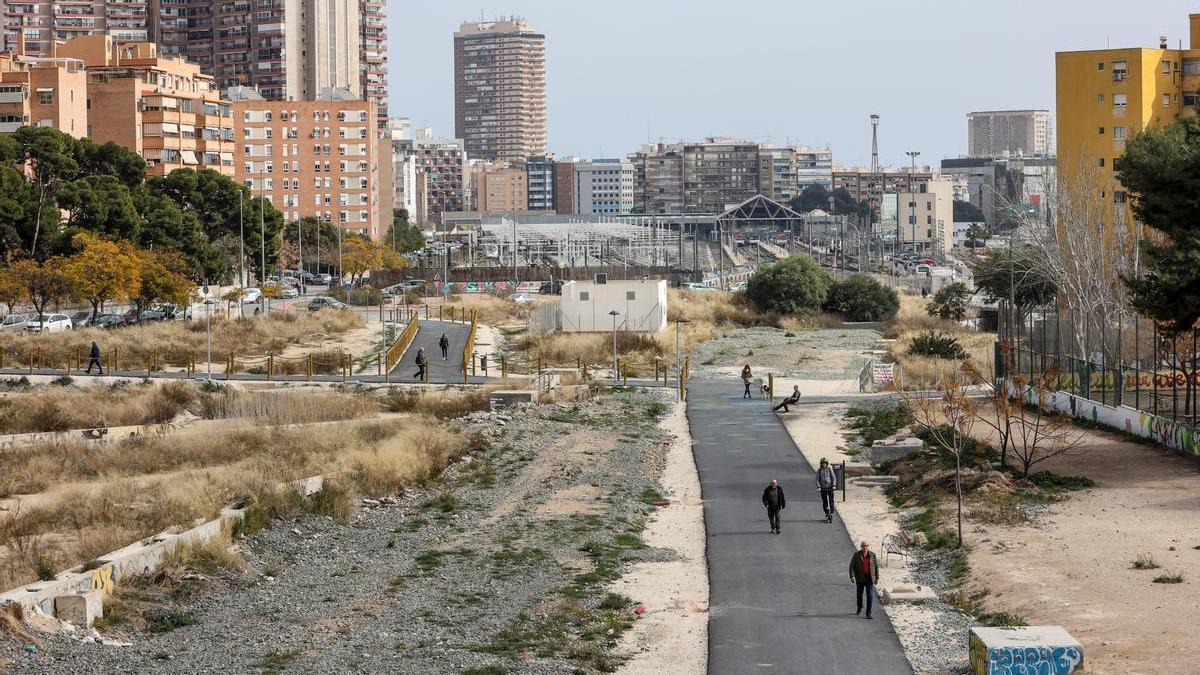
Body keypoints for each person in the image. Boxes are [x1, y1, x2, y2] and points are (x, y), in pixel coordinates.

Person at [848, 541, 879, 619]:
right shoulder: (856, 555)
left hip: (869, 579)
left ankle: (868, 613)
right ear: (861, 547)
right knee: (859, 595)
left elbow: (876, 567)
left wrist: (877, 578)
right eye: (863, 546)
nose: (865, 548)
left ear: (868, 547)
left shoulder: (872, 555)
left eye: (866, 546)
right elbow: (851, 566)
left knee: (870, 595)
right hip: (860, 578)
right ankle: (859, 607)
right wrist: (852, 576)